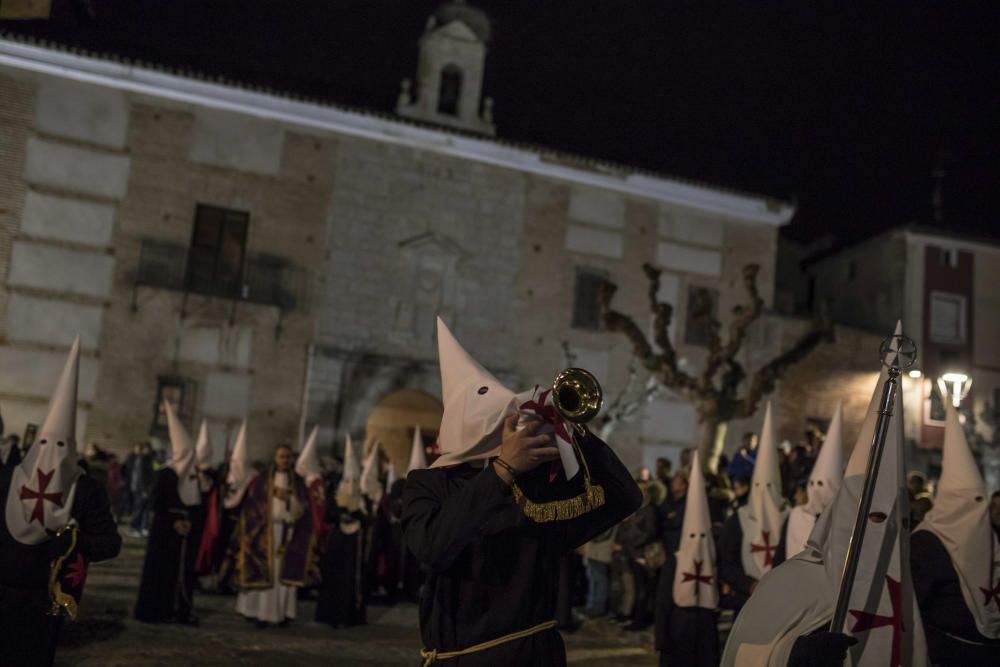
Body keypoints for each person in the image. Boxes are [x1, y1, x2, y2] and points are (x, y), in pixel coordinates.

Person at [402, 318, 641, 665]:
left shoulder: (534, 487)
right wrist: (501, 471)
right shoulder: (428, 483)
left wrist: (572, 429)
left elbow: (625, 497)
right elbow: (433, 547)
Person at [721, 323, 928, 667]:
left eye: (894, 521)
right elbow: (746, 654)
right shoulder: (788, 583)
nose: (883, 530)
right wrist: (799, 656)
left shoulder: (905, 586)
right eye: (873, 519)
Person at [0, 339, 121, 667]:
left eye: (60, 445)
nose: (51, 453)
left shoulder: (86, 491)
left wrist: (76, 540)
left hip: (47, 599)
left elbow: (110, 543)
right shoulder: (6, 479)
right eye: (44, 443)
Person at [911, 404, 1000, 664]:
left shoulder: (989, 537)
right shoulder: (926, 542)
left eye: (979, 501)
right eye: (967, 502)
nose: (977, 510)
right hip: (946, 653)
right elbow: (914, 604)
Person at [134, 402, 203, 625]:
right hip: (164, 534)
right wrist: (174, 522)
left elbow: (194, 504)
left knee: (180, 573)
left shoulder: (192, 477)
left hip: (184, 531)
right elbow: (159, 506)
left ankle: (177, 608)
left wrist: (189, 522)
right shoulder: (166, 474)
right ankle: (156, 609)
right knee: (161, 571)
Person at [234, 444, 315, 627]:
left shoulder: (298, 482)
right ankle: (257, 613)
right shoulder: (263, 480)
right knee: (264, 571)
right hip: (265, 532)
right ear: (275, 457)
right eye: (281, 456)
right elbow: (253, 507)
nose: (284, 460)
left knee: (281, 573)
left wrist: (290, 501)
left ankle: (281, 613)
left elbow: (303, 509)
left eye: (287, 457)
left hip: (288, 533)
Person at [718, 402, 787, 616]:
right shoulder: (738, 520)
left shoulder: (791, 518)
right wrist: (749, 585)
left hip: (783, 601)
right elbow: (725, 561)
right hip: (745, 601)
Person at [655, 452, 719, 667]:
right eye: (694, 536)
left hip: (705, 634)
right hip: (677, 631)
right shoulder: (675, 561)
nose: (698, 542)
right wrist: (661, 639)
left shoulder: (711, 558)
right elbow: (663, 602)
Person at [316, 435, 368, 627]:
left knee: (350, 580)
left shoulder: (363, 498)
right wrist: (341, 516)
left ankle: (349, 616)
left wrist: (357, 515)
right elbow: (329, 514)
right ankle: (330, 614)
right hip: (338, 542)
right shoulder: (335, 495)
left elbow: (367, 517)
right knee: (334, 578)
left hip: (354, 545)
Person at [781, 404, 844, 560]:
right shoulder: (796, 515)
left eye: (822, 485)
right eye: (813, 484)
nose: (815, 490)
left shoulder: (843, 521)